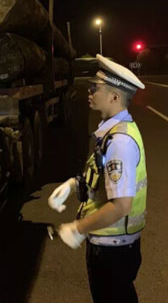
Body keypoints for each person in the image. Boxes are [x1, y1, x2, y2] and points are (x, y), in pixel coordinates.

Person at [48, 54, 147, 303]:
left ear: (114, 96)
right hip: (112, 245)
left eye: (96, 87)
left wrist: (78, 228)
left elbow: (121, 205)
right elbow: (101, 176)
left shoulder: (120, 142)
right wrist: (74, 185)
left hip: (112, 249)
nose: (89, 91)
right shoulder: (111, 133)